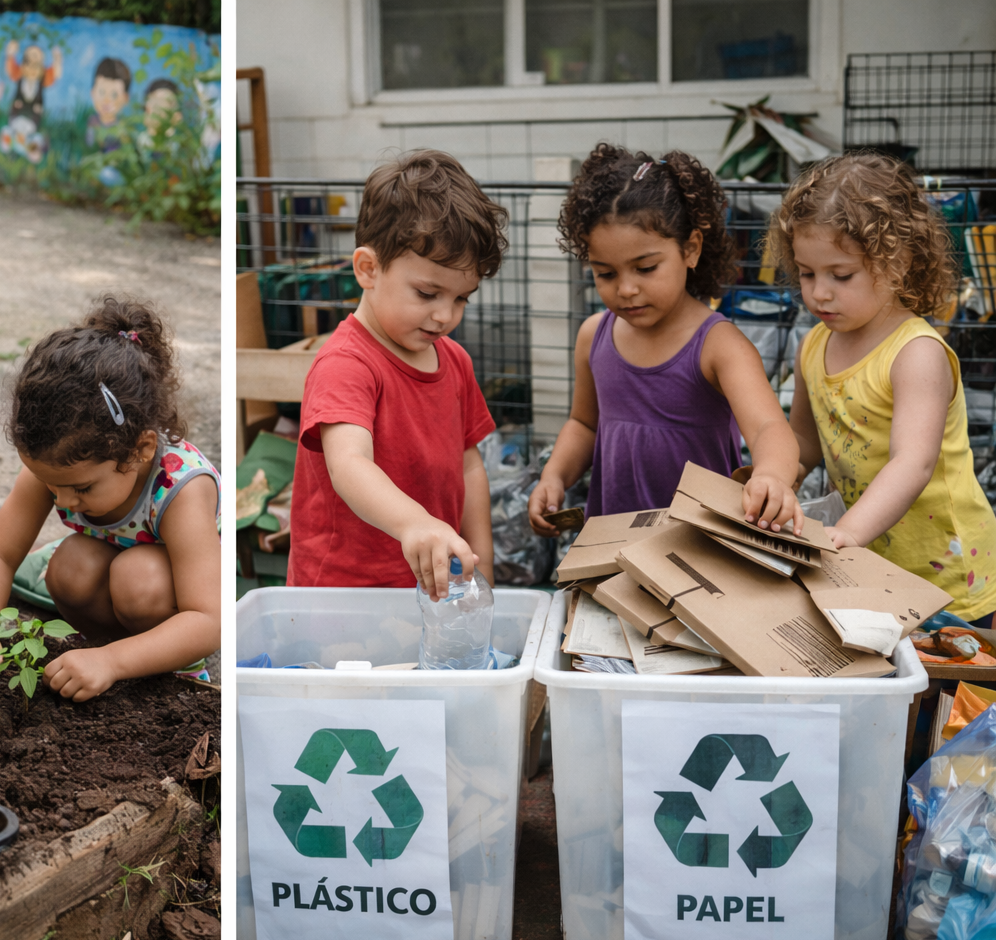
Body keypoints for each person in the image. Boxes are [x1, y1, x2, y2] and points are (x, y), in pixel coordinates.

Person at [0, 297, 220, 701]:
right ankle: (106, 653)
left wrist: (113, 662)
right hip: (110, 572)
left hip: (169, 595)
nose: (64, 502)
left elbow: (209, 620)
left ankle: (169, 666)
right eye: (52, 487)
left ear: (140, 451)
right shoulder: (60, 465)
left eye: (82, 489)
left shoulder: (182, 488)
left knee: (139, 578)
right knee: (69, 565)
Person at [528, 144, 802, 536]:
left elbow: (768, 428)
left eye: (646, 268)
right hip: (610, 547)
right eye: (605, 273)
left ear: (690, 250)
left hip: (701, 550)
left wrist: (773, 475)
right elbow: (584, 424)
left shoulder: (719, 345)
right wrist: (554, 476)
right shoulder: (593, 335)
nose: (626, 289)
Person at [772, 152, 996, 623]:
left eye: (841, 274)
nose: (819, 293)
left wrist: (848, 532)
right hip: (871, 563)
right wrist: (774, 479)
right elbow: (805, 442)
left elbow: (913, 462)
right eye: (807, 273)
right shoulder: (813, 345)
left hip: (949, 575)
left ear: (897, 262)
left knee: (947, 690)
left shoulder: (915, 353)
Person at [288, 149, 504, 598]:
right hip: (344, 595)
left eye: (462, 298)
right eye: (427, 293)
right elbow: (350, 463)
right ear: (368, 269)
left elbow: (469, 465)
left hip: (430, 589)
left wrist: (480, 561)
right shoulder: (346, 364)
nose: (445, 315)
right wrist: (416, 523)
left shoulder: (455, 361)